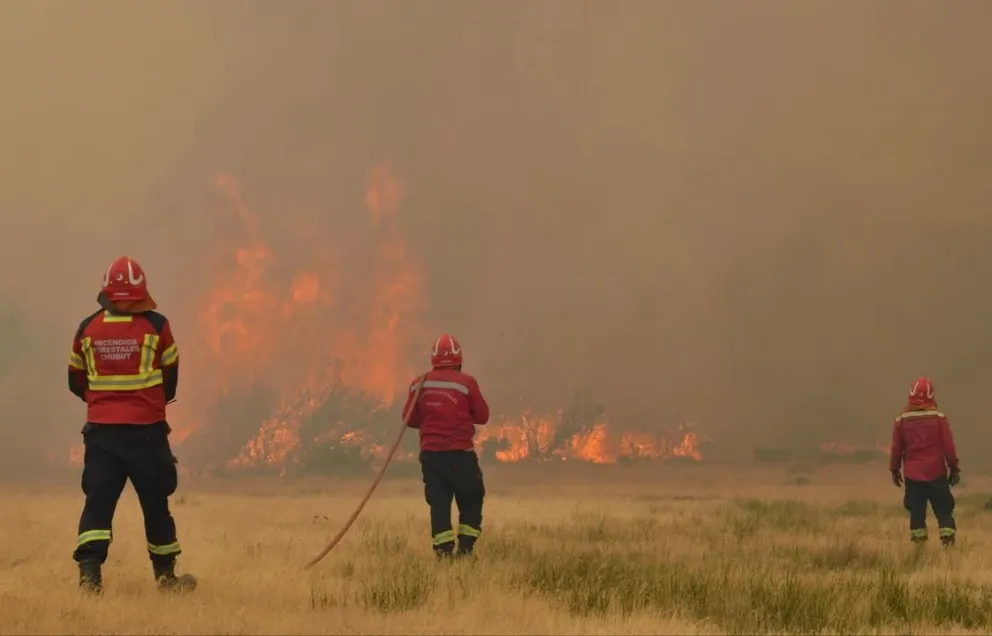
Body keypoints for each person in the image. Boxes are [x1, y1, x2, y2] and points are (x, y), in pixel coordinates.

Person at [68, 256, 196, 593]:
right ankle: (166, 578)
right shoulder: (157, 326)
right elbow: (170, 380)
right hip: (146, 434)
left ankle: (89, 577)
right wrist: (146, 403)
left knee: (97, 504)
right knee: (156, 506)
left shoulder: (87, 328)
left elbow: (75, 380)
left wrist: (104, 402)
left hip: (102, 435)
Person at [402, 333, 490, 558]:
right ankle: (466, 548)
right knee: (471, 497)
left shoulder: (419, 384)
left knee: (439, 503)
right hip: (460, 455)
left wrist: (432, 418)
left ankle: (443, 552)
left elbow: (409, 419)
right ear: (458, 359)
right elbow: (482, 416)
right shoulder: (466, 383)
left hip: (431, 456)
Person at [889, 376, 960, 547]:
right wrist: (954, 468)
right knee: (944, 510)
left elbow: (896, 448)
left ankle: (919, 549)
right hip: (937, 472)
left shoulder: (901, 420)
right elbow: (949, 447)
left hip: (913, 475)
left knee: (916, 513)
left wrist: (894, 469)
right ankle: (948, 546)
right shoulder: (939, 418)